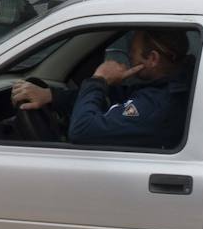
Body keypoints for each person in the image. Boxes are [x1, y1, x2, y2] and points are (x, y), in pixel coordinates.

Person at [10, 28, 191, 147]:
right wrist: (52, 96)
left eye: (132, 51)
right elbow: (116, 96)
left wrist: (98, 79)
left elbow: (81, 131)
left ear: (152, 58)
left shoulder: (156, 105)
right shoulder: (165, 87)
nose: (129, 56)